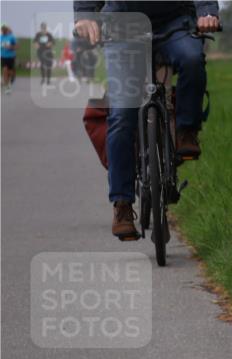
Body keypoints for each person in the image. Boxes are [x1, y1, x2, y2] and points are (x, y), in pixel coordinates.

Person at [73, 2, 220, 241]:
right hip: (122, 25)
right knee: (121, 113)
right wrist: (84, 15)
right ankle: (122, 204)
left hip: (175, 22)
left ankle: (186, 132)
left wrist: (207, 11)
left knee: (192, 60)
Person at [34, 22, 55, 86]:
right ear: (41, 28)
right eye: (42, 28)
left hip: (48, 52)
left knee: (49, 65)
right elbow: (35, 42)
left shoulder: (49, 34)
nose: (43, 29)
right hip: (40, 52)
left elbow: (53, 42)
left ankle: (48, 79)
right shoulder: (38, 34)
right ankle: (43, 78)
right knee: (42, 65)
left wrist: (50, 44)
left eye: (44, 28)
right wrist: (36, 45)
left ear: (46, 28)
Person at [1, 25, 16, 94]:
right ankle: (7, 87)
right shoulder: (1, 37)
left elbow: (17, 46)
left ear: (6, 30)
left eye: (4, 30)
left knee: (10, 72)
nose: (3, 31)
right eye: (2, 30)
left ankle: (11, 78)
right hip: (3, 56)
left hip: (11, 56)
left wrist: (10, 47)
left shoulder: (11, 37)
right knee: (4, 70)